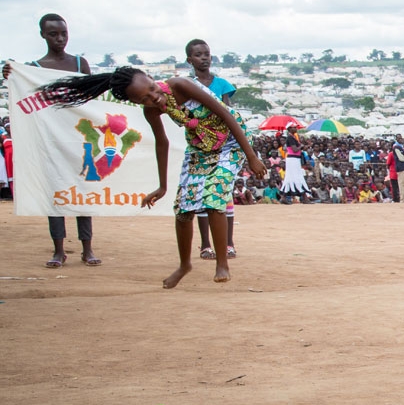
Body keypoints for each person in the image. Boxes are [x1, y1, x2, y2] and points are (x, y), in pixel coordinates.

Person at [40, 66, 266, 288]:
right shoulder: (151, 111)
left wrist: (251, 156)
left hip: (231, 140)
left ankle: (222, 264)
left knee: (213, 197)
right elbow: (162, 143)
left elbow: (224, 113)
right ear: (137, 103)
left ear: (151, 77)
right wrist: (162, 187)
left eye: (152, 89)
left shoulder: (180, 84)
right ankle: (184, 265)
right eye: (145, 99)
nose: (154, 98)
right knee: (182, 208)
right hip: (200, 144)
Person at [2, 13, 101, 268]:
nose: (60, 39)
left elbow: (93, 101)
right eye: (53, 34)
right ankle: (59, 250)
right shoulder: (34, 67)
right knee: (55, 195)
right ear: (43, 35)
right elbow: (25, 98)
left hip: (79, 138)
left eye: (63, 34)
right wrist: (11, 75)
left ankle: (87, 249)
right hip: (50, 142)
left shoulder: (81, 64)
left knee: (82, 194)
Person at [185, 39, 241, 260]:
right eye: (198, 54)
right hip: (198, 145)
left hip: (223, 145)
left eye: (206, 53)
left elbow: (230, 114)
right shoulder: (187, 84)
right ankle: (205, 245)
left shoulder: (222, 85)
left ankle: (228, 243)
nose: (204, 57)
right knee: (200, 194)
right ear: (190, 60)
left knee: (223, 193)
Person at [280, 124, 311, 202]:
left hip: (294, 159)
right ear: (290, 129)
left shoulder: (293, 137)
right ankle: (304, 198)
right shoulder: (290, 138)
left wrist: (306, 146)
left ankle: (284, 197)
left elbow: (299, 148)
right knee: (296, 176)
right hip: (293, 159)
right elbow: (295, 150)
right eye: (294, 127)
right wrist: (301, 146)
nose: (296, 128)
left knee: (293, 177)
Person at [392, 138, 404, 202]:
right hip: (400, 167)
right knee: (402, 184)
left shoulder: (402, 147)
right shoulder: (396, 147)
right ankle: (403, 199)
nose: (401, 139)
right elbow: (401, 158)